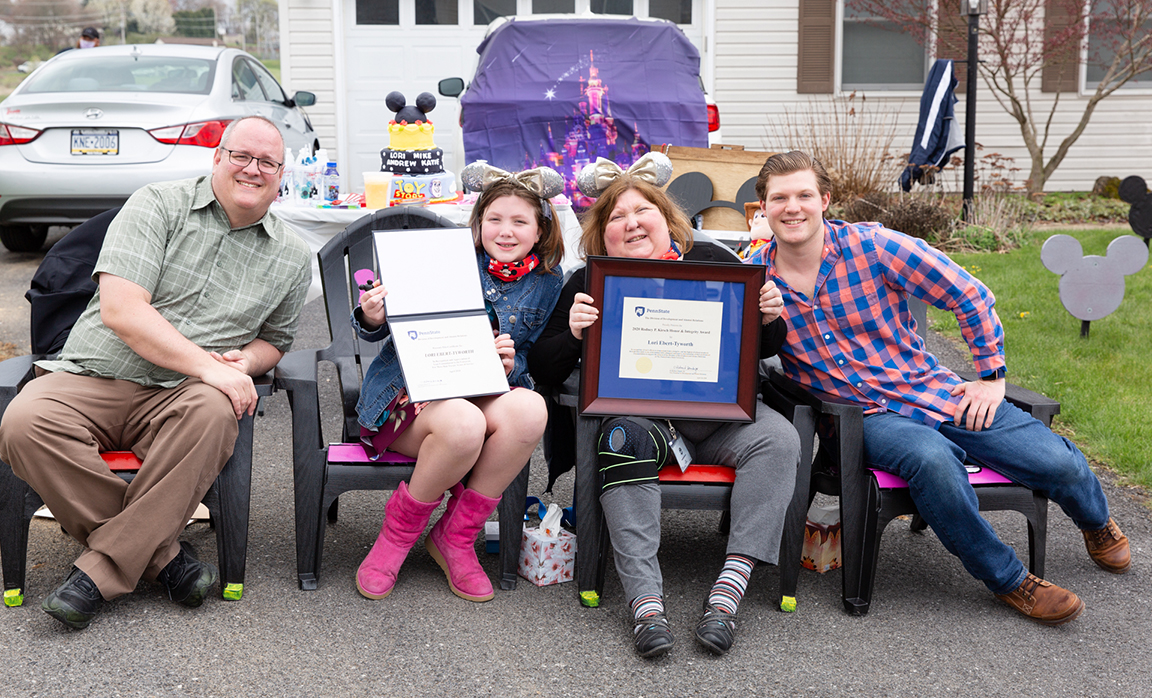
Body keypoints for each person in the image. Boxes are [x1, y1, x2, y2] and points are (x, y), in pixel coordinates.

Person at [748, 150, 1131, 626]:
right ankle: (1011, 580)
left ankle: (1096, 521)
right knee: (933, 461)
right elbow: (747, 357)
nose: (793, 207)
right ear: (762, 208)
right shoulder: (754, 276)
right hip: (862, 418)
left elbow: (968, 294)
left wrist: (991, 378)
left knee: (1054, 462)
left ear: (824, 199)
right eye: (779, 198)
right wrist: (765, 317)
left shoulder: (875, 247)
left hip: (931, 390)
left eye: (804, 195)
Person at [0, 115, 312, 630]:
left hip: (182, 396)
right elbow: (122, 311)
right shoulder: (157, 205)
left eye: (268, 162)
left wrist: (247, 363)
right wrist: (208, 367)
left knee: (216, 411)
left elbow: (274, 341)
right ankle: (162, 557)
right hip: (93, 374)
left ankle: (98, 574)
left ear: (282, 174)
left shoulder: (291, 256)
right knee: (23, 422)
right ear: (217, 156)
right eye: (241, 156)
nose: (253, 170)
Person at [527, 154, 801, 658]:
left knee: (780, 439)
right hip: (644, 422)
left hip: (723, 420)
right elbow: (543, 367)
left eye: (642, 210)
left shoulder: (718, 263)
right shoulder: (587, 284)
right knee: (620, 439)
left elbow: (765, 349)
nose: (631, 223)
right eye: (615, 217)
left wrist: (769, 316)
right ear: (601, 236)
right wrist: (572, 333)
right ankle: (645, 603)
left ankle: (729, 591)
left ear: (665, 217)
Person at [352, 164, 565, 603]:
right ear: (479, 223)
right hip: (406, 402)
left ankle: (456, 537)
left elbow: (525, 352)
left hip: (479, 392)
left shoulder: (547, 282)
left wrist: (510, 363)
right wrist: (372, 315)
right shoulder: (443, 261)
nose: (505, 232)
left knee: (530, 410)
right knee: (465, 422)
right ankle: (395, 539)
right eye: (495, 220)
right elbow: (385, 329)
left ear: (541, 229)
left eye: (520, 221)